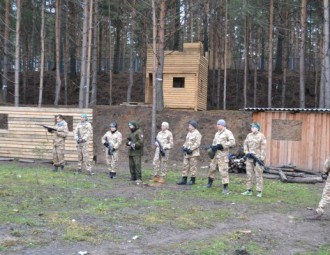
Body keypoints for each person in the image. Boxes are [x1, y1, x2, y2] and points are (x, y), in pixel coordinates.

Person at [205, 119, 235, 194]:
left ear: (222, 125)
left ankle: (225, 188)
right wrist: (213, 147)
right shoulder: (217, 133)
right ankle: (209, 183)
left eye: (218, 124)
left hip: (223, 155)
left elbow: (232, 142)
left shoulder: (228, 132)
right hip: (215, 155)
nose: (217, 125)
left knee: (223, 171)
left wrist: (222, 146)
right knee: (211, 168)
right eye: (217, 124)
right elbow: (214, 143)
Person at [241, 122, 267, 197]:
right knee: (249, 174)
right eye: (251, 127)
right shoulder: (249, 135)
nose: (252, 128)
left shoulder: (261, 136)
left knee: (258, 175)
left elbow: (263, 148)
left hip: (257, 158)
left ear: (257, 128)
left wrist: (262, 158)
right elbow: (245, 144)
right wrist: (246, 152)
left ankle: (259, 191)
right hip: (249, 158)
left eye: (254, 127)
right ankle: (249, 190)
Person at [177, 120, 202, 185]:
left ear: (194, 126)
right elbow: (186, 141)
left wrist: (191, 149)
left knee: (192, 166)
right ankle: (184, 179)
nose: (189, 127)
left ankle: (192, 180)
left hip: (193, 153)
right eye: (189, 125)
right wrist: (184, 147)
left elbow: (197, 143)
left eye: (190, 125)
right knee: (185, 165)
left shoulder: (197, 134)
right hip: (187, 153)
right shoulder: (189, 133)